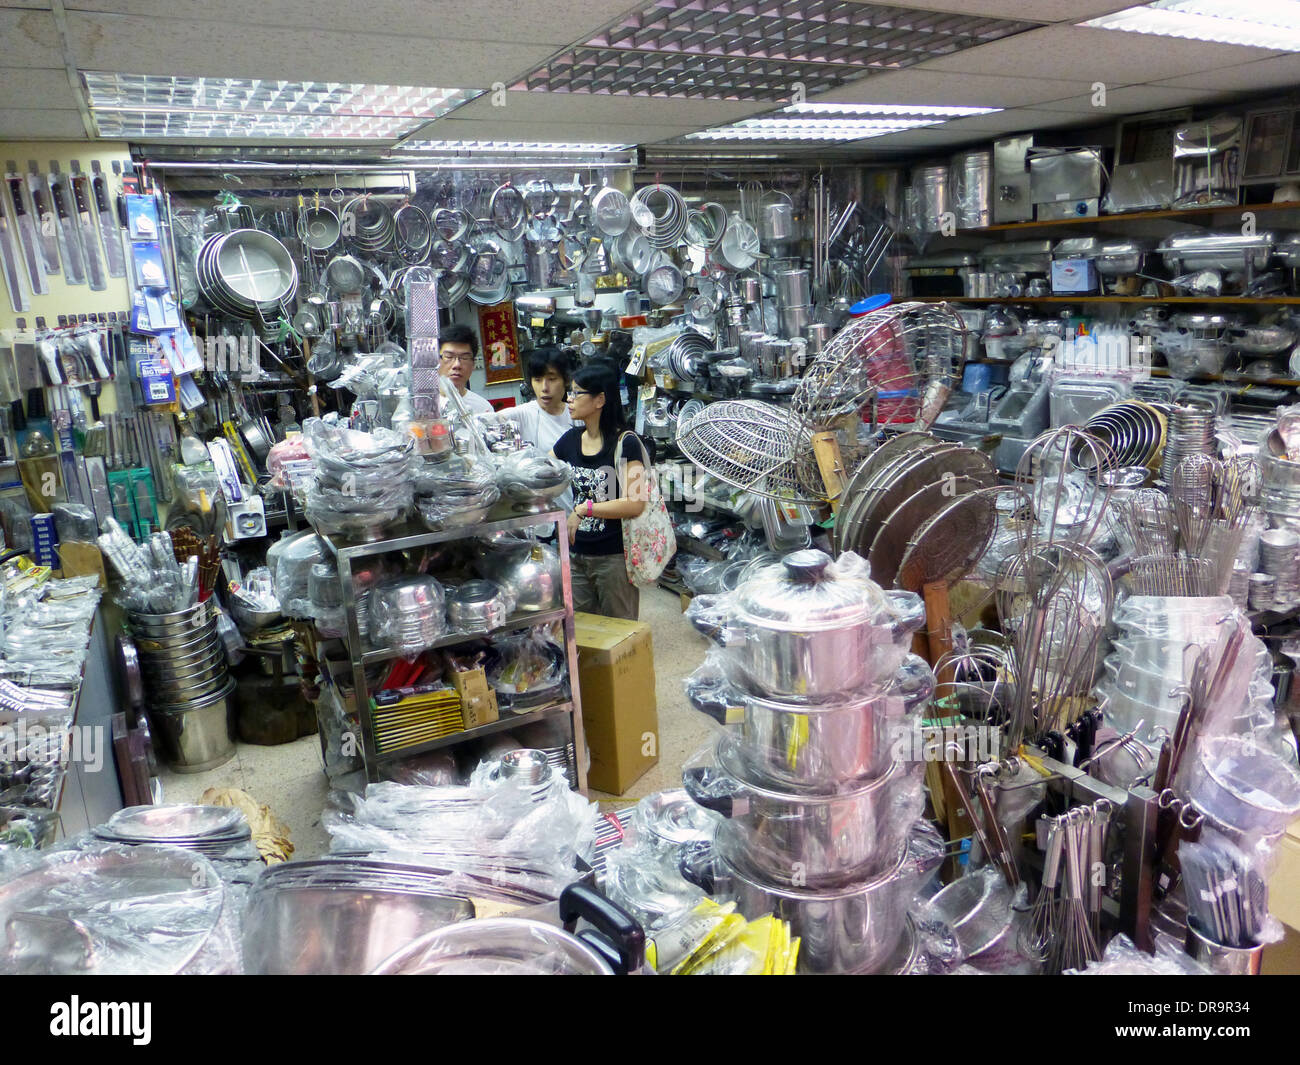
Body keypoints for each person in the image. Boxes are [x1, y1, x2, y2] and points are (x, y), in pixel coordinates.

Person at [551, 364, 653, 621]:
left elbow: (636, 503)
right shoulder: (570, 440)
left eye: (576, 393)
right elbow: (542, 471)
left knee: (621, 633)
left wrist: (585, 510)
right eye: (569, 393)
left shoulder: (625, 442)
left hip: (614, 557)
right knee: (582, 631)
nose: (569, 400)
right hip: (576, 554)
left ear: (600, 399)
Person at [501, 345, 575, 453]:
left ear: (566, 380)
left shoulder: (576, 414)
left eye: (552, 379)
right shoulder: (523, 413)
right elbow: (489, 421)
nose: (544, 388)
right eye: (537, 380)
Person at [438, 323, 494, 416]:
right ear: (436, 361)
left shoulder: (483, 409)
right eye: (449, 356)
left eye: (464, 358)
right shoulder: (423, 405)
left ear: (473, 364)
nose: (457, 365)